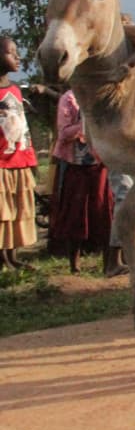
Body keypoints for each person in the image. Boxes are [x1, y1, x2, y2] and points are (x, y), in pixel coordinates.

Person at [48, 89, 114, 273]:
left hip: (100, 164)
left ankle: (109, 262)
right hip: (75, 166)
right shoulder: (68, 99)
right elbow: (63, 133)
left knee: (105, 212)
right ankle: (74, 265)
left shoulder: (102, 94)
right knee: (75, 214)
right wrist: (86, 123)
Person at [0, 37, 38, 270]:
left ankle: (12, 256)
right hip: (1, 163)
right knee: (1, 212)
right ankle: (2, 258)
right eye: (11, 52)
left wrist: (31, 158)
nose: (17, 57)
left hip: (19, 159)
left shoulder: (15, 89)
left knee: (16, 210)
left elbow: (22, 126)